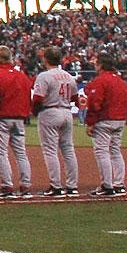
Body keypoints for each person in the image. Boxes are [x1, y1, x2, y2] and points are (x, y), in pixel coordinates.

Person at [0, 46, 34, 199]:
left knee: (1, 153)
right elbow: (27, 98)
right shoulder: (22, 76)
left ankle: (7, 185)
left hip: (1, 118)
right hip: (19, 118)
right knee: (21, 153)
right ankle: (26, 185)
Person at [31, 48, 81, 196]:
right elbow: (75, 99)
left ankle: (56, 185)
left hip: (50, 111)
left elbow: (38, 99)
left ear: (46, 59)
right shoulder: (68, 76)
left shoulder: (44, 76)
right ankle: (72, 186)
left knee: (50, 150)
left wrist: (35, 112)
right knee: (68, 149)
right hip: (66, 111)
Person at [84, 51, 127, 196]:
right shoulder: (121, 81)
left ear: (101, 65)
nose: (95, 66)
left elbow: (95, 103)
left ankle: (107, 185)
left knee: (102, 152)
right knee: (116, 151)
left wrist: (90, 122)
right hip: (120, 119)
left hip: (105, 119)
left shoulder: (101, 80)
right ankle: (119, 184)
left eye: (97, 63)